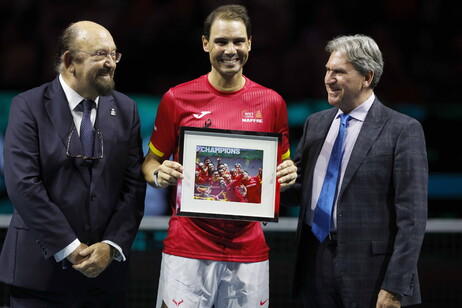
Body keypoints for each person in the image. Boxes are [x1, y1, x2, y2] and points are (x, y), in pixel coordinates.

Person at [142, 4, 297, 308]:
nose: (231, 50)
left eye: (238, 41)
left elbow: (281, 169)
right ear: (205, 44)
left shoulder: (272, 103)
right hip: (187, 246)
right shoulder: (176, 98)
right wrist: (159, 176)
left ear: (250, 43)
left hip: (248, 249)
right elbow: (150, 164)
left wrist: (288, 176)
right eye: (222, 41)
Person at [0, 21, 146, 307]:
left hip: (106, 278)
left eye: (114, 54)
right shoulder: (28, 106)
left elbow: (133, 187)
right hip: (39, 276)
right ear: (69, 61)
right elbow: (23, 185)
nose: (110, 63)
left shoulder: (126, 109)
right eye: (100, 54)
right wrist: (70, 247)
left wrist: (111, 246)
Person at [282, 34, 428, 307]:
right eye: (327, 69)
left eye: (339, 71)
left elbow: (413, 219)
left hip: (371, 273)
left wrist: (395, 286)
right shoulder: (316, 124)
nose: (328, 78)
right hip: (314, 264)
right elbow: (300, 192)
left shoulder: (403, 130)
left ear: (367, 77)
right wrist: (271, 183)